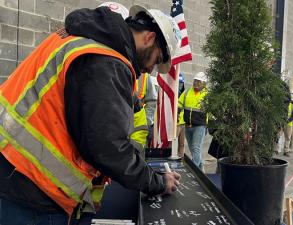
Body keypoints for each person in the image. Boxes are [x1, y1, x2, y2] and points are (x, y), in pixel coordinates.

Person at [0, 3, 182, 224]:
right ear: (149, 38)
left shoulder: (82, 40)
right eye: (157, 59)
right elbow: (108, 148)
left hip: (15, 169)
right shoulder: (106, 60)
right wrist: (157, 182)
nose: (151, 69)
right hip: (32, 187)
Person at [178, 72, 208, 170]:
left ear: (204, 83)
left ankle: (194, 170)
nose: (195, 83)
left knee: (196, 148)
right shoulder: (187, 92)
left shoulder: (207, 96)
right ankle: (200, 167)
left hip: (200, 126)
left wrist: (209, 124)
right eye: (195, 81)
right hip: (188, 125)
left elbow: (212, 112)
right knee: (192, 149)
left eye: (198, 82)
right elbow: (179, 104)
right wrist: (177, 112)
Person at [177, 73, 186, 158]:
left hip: (183, 122)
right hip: (175, 123)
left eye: (181, 83)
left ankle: (181, 159)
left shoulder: (184, 94)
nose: (180, 85)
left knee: (182, 144)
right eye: (179, 83)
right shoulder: (172, 94)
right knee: (172, 144)